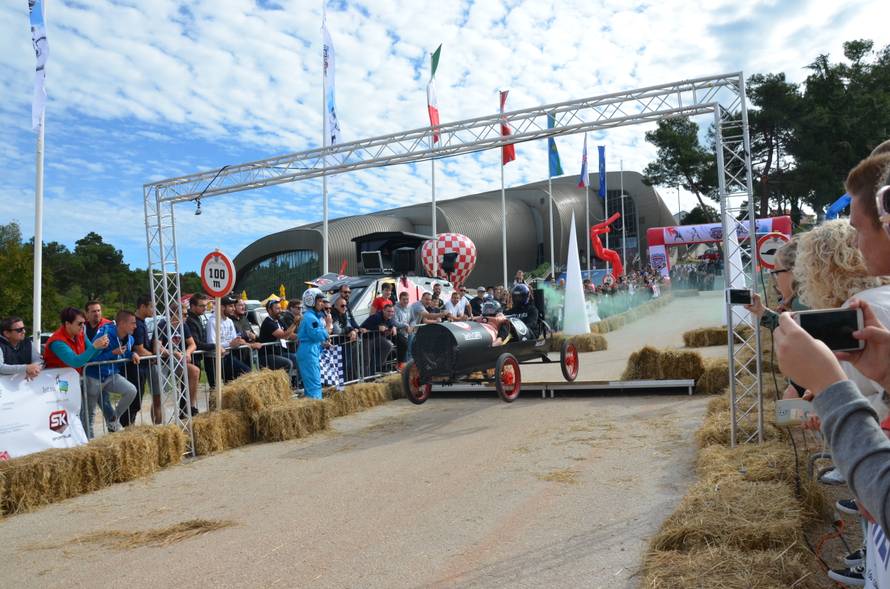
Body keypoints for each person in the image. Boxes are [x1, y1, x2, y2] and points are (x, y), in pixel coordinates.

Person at [83, 310, 140, 435]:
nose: (135, 326)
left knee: (131, 390)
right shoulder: (105, 334)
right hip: (93, 376)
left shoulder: (130, 338)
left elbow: (124, 351)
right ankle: (88, 442)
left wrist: (133, 354)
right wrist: (112, 353)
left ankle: (113, 420)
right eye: (133, 323)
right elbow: (90, 359)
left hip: (111, 375)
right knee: (90, 413)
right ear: (122, 323)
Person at [121, 294, 161, 426]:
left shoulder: (140, 323)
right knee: (135, 400)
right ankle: (127, 425)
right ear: (143, 307)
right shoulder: (138, 324)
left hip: (140, 366)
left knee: (136, 400)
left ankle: (128, 424)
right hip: (136, 367)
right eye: (151, 307)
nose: (154, 310)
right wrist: (153, 357)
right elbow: (139, 349)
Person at [155, 307, 200, 420]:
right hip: (163, 362)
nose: (186, 317)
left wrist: (188, 353)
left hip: (178, 361)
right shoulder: (162, 325)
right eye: (184, 314)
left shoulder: (183, 326)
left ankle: (190, 407)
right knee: (158, 396)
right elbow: (157, 348)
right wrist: (173, 353)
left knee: (195, 371)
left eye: (186, 314)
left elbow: (192, 344)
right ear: (174, 314)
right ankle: (158, 423)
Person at [44, 307, 109, 373]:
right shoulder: (57, 342)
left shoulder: (81, 334)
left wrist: (100, 347)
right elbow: (75, 362)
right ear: (67, 324)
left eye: (84, 323)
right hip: (55, 379)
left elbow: (92, 355)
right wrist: (94, 346)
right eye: (80, 323)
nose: (83, 326)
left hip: (71, 377)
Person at [206, 296, 251, 383]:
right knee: (215, 389)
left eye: (233, 306)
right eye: (230, 306)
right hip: (214, 359)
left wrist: (238, 341)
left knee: (245, 372)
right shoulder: (212, 321)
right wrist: (230, 344)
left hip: (227, 356)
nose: (233, 309)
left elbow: (233, 339)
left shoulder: (229, 321)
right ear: (222, 307)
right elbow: (211, 343)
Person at [297, 288, 330, 399]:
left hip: (311, 350)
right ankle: (316, 405)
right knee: (314, 384)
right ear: (310, 301)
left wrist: (322, 344)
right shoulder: (310, 317)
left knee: (312, 383)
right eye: (319, 301)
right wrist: (328, 326)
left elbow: (314, 338)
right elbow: (317, 335)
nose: (322, 304)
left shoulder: (313, 316)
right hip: (308, 352)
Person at [257, 300, 297, 376]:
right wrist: (295, 323)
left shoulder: (279, 321)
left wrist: (303, 336)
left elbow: (290, 335)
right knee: (287, 363)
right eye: (277, 309)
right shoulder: (268, 323)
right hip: (267, 355)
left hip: (279, 353)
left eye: (280, 308)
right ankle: (286, 385)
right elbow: (284, 335)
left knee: (298, 358)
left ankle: (297, 383)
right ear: (269, 310)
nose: (280, 310)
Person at [360, 303, 397, 374]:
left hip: (376, 337)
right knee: (366, 359)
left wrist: (393, 327)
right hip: (367, 338)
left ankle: (379, 366)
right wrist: (377, 328)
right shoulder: (376, 317)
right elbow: (362, 327)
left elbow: (391, 323)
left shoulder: (389, 318)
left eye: (392, 312)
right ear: (383, 311)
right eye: (388, 311)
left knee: (388, 346)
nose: (390, 313)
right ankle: (367, 378)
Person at [393, 292, 412, 366]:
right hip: (397, 332)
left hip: (407, 332)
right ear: (399, 299)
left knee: (412, 344)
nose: (406, 301)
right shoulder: (395, 308)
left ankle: (409, 364)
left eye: (407, 299)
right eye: (404, 299)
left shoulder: (409, 308)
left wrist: (410, 326)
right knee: (404, 344)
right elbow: (395, 322)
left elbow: (412, 319)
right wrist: (405, 325)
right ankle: (401, 365)